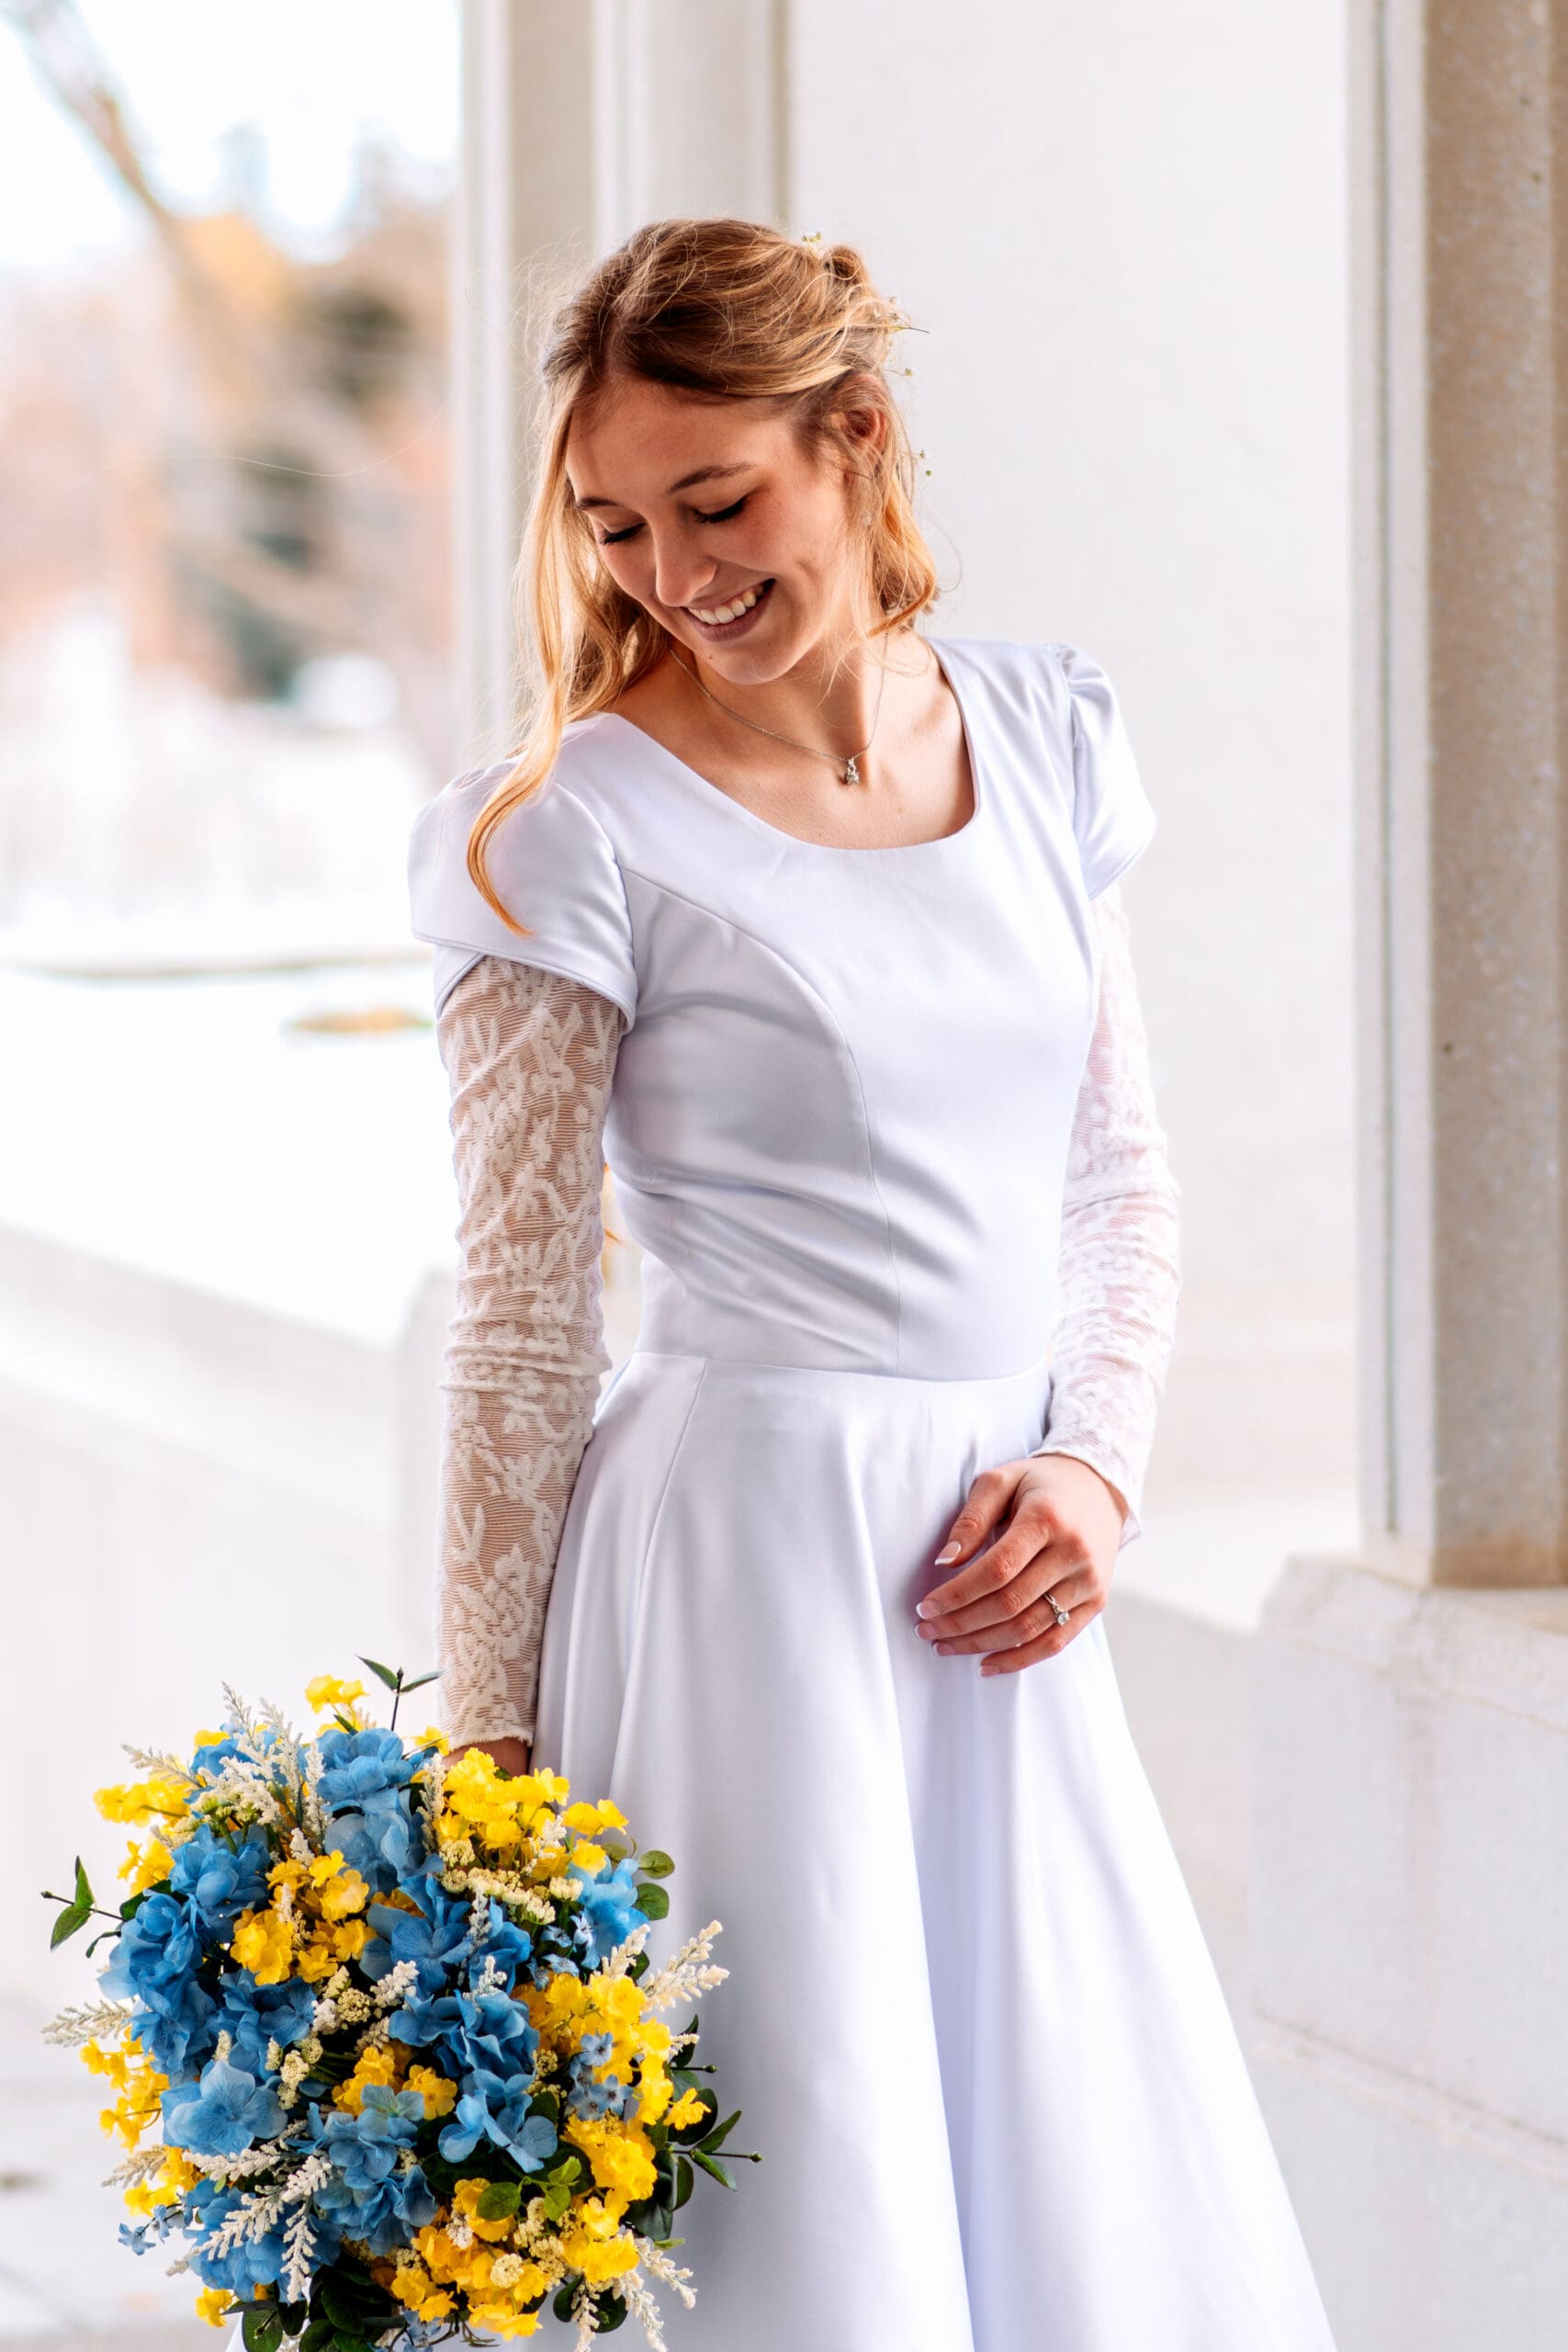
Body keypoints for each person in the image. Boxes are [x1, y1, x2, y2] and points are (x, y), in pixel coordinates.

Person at [407, 216, 1338, 2350]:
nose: (671, 571)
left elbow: (1113, 1176)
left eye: (715, 500)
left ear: (853, 432)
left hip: (997, 1578)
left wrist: (1094, 1465)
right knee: (791, 2161)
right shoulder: (559, 827)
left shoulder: (1044, 734)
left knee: (1052, 2152)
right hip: (734, 1574)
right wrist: (485, 1776)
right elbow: (520, 1328)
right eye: (615, 524)